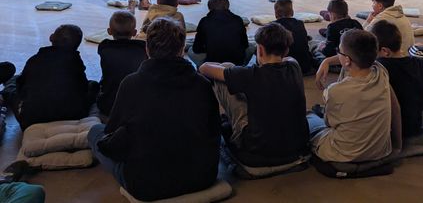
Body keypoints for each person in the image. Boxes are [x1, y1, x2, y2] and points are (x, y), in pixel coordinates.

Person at [88, 17, 221, 201]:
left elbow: (111, 131)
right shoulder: (202, 83)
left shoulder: (132, 84)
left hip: (146, 184)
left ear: (147, 49)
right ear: (182, 49)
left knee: (95, 132)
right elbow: (214, 129)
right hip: (203, 177)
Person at [199, 23, 309, 166]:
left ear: (260, 50)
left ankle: (224, 128)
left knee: (225, 70)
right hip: (297, 144)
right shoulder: (294, 66)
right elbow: (287, 60)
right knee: (232, 73)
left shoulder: (251, 75)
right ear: (286, 50)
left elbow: (204, 68)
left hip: (257, 147)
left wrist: (231, 70)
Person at [308, 29, 401, 162]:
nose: (337, 54)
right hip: (380, 151)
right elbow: (395, 108)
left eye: (339, 51)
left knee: (309, 120)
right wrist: (327, 61)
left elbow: (329, 123)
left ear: (347, 60)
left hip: (344, 153)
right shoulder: (381, 71)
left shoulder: (334, 91)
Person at [371, 20, 423, 151]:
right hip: (413, 128)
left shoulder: (377, 67)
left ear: (384, 51)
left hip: (385, 132)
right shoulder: (421, 64)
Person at [1, 25, 95, 130]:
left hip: (30, 119)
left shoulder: (36, 59)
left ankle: (8, 90)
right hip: (73, 115)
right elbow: (83, 88)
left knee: (13, 86)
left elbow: (21, 87)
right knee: (93, 85)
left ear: (51, 38)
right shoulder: (76, 63)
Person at [96, 11, 147, 116]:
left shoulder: (104, 47)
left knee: (95, 85)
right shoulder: (142, 48)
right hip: (137, 106)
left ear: (109, 31)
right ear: (134, 32)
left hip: (108, 106)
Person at [189, 0, 252, 67]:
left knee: (191, 51)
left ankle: (205, 69)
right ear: (227, 7)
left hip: (213, 63)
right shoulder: (238, 19)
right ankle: (240, 67)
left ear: (210, 8)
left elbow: (196, 48)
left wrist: (209, 48)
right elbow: (245, 44)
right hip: (236, 61)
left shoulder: (204, 21)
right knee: (251, 47)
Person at [273, 0, 317, 75]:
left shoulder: (272, 26)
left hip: (283, 69)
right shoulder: (300, 23)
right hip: (304, 67)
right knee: (312, 43)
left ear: (276, 14)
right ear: (292, 12)